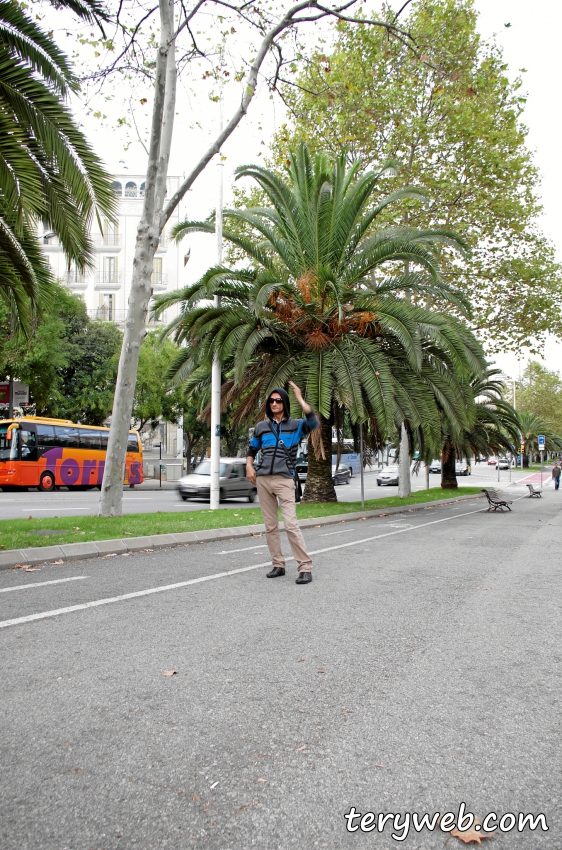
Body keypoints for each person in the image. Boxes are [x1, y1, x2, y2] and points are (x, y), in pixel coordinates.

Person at [246, 382, 319, 584]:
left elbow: (313, 422)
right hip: (263, 481)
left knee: (291, 525)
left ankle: (305, 567)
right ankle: (278, 564)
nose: (274, 403)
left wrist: (300, 399)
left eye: (278, 400)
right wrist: (249, 466)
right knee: (270, 527)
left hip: (284, 479)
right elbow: (252, 449)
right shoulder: (261, 427)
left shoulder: (296, 426)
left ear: (284, 403)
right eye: (271, 401)